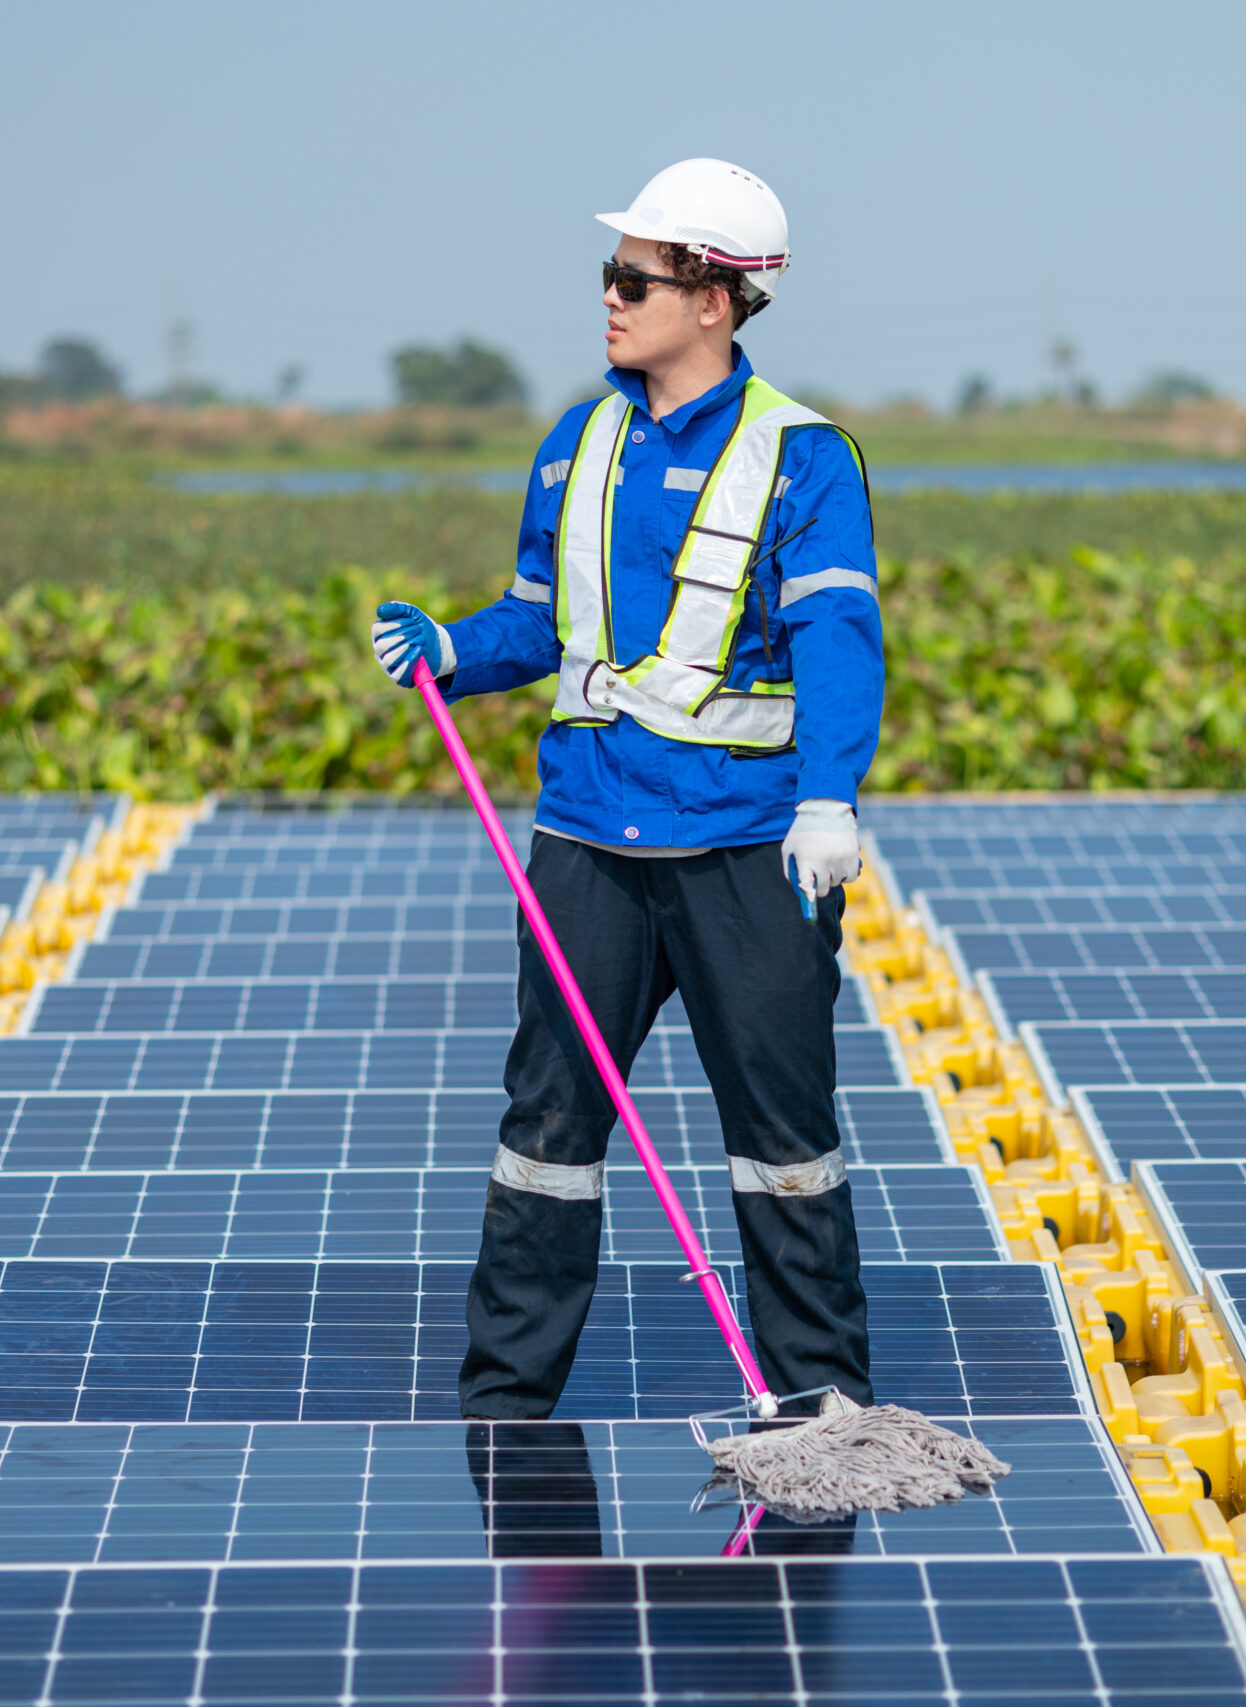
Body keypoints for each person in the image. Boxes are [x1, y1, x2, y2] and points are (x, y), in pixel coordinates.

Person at [369, 158, 883, 1422]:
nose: (606, 298)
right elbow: (539, 620)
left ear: (714, 297)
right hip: (589, 842)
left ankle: (821, 1416)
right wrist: (454, 648)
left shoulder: (802, 459)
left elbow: (837, 642)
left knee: (784, 1143)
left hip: (747, 850)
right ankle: (503, 1407)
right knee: (543, 1136)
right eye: (610, 274)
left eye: (633, 278)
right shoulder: (578, 440)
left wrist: (831, 797)